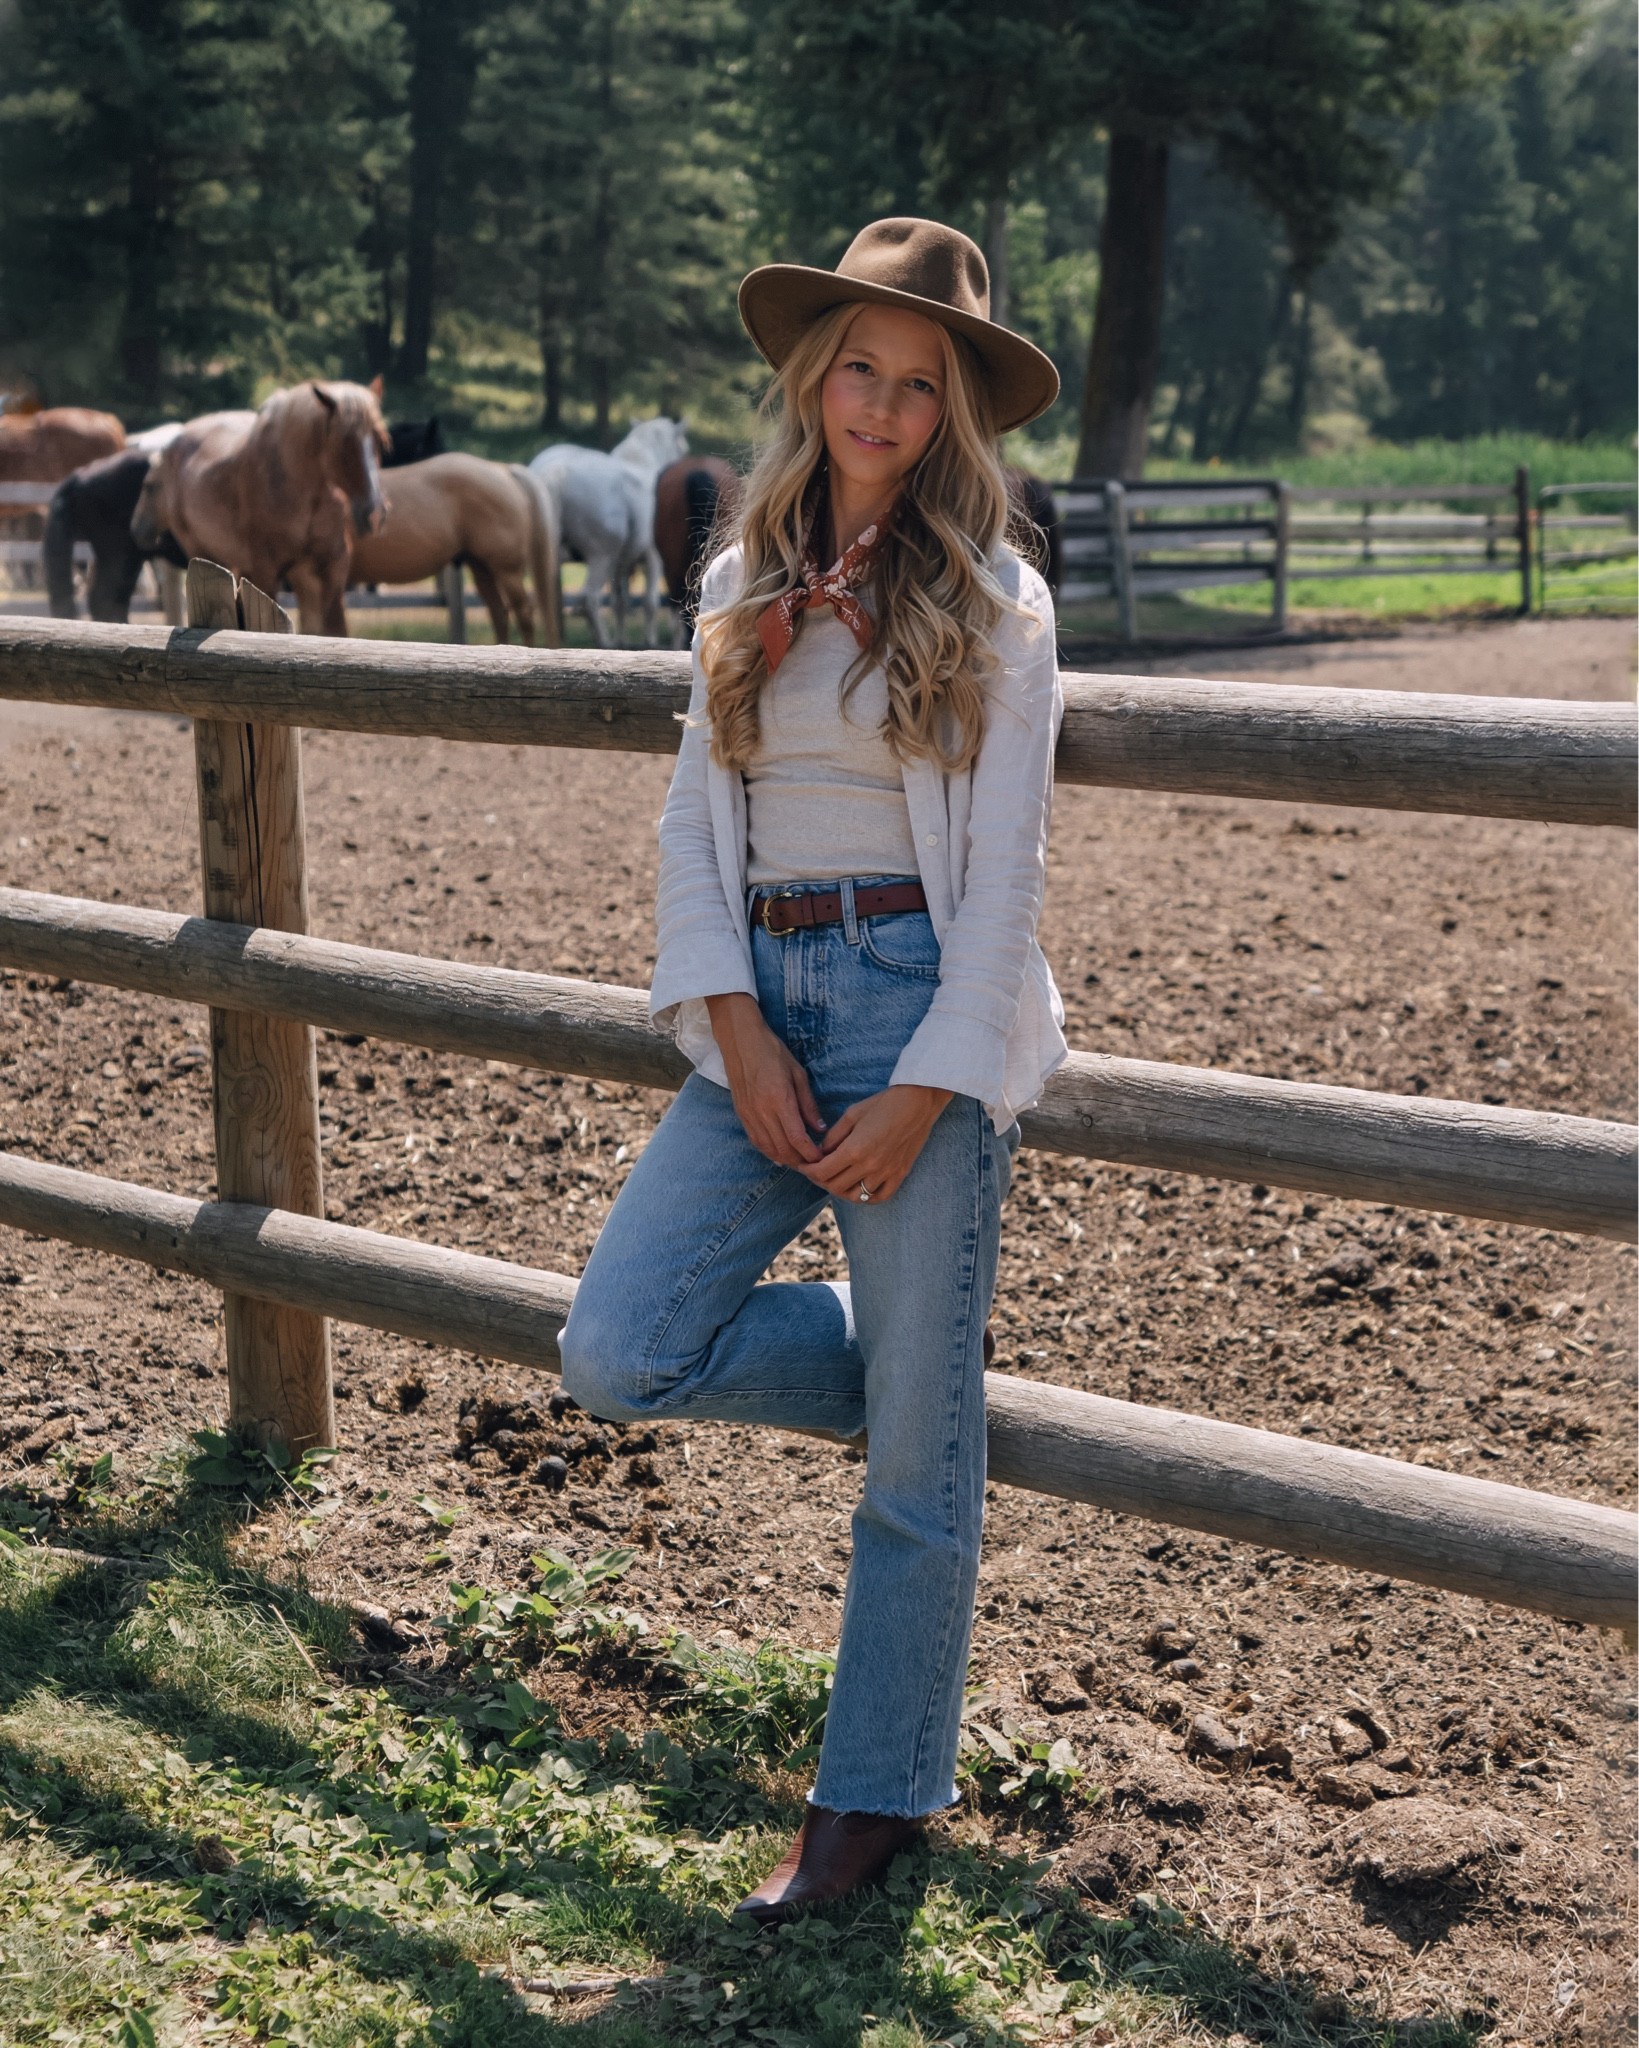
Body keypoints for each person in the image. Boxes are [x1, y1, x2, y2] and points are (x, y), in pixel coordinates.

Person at [558, 217, 1066, 1922]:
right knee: (623, 1344)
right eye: (860, 366)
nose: (884, 404)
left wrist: (928, 1081)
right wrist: (733, 1022)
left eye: (922, 384)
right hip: (761, 1008)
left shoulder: (998, 599)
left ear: (956, 413)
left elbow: (1005, 885)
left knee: (914, 1484)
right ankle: (913, 1357)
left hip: (918, 997)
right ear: (812, 373)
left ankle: (871, 1804)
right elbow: (691, 832)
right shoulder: (737, 578)